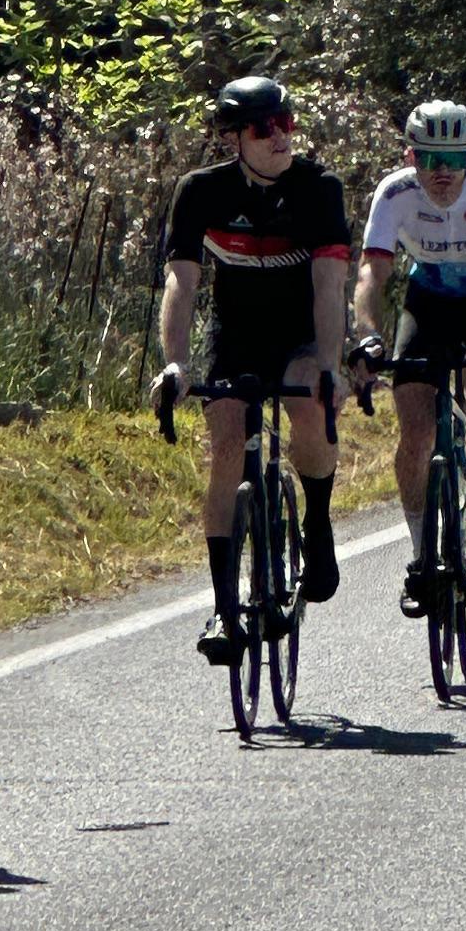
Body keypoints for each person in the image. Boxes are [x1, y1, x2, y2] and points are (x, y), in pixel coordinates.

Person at [151, 74, 350, 666]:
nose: (280, 137)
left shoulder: (320, 188)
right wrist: (176, 364)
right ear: (233, 138)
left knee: (308, 401)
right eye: (265, 129)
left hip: (300, 332)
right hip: (235, 335)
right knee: (225, 446)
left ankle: (316, 522)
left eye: (286, 123)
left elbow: (328, 283)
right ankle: (222, 605)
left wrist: (331, 367)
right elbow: (181, 284)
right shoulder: (200, 192)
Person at [349, 96, 466, 603]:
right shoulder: (394, 194)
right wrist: (368, 335)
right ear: (411, 157)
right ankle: (420, 553)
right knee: (414, 423)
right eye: (429, 159)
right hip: (427, 301)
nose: (441, 172)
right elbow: (373, 273)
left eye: (453, 160)